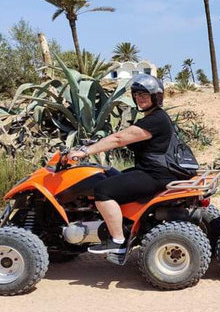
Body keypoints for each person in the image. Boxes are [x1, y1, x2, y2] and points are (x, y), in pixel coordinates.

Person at [67, 74, 181, 254]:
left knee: (102, 190)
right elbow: (124, 138)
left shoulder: (155, 120)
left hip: (154, 175)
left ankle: (117, 240)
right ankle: (120, 225)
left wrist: (84, 152)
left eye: (145, 94)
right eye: (137, 94)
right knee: (107, 174)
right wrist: (93, 143)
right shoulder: (154, 117)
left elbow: (119, 138)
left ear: (155, 97)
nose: (140, 97)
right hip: (153, 172)